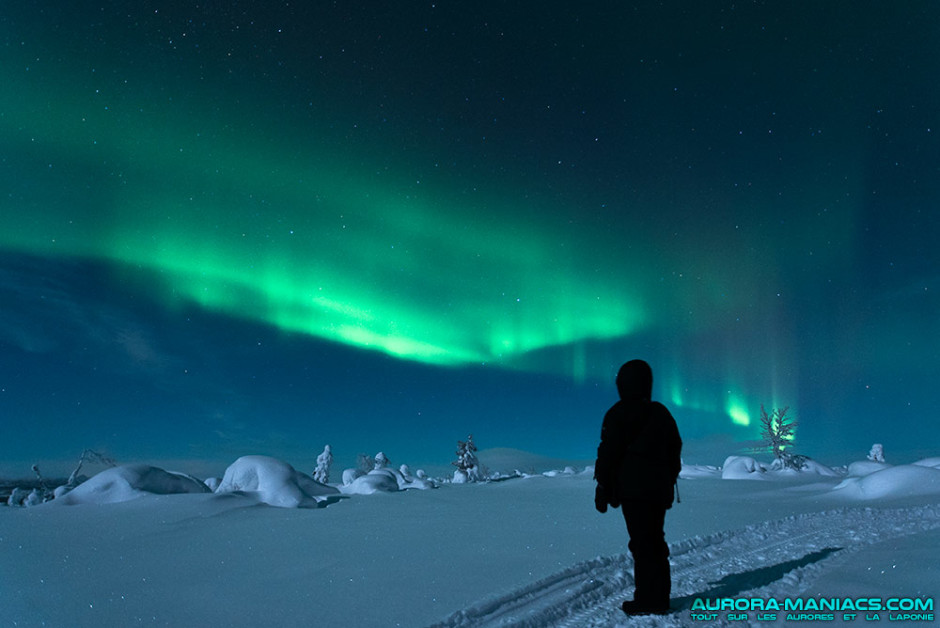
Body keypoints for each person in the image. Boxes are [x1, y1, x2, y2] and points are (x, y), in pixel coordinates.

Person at [594, 359, 682, 616]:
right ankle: (658, 597)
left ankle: (649, 600)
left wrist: (603, 486)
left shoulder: (617, 413)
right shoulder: (661, 413)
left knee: (643, 544)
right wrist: (667, 480)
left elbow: (608, 453)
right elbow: (675, 450)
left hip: (633, 492)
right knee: (654, 541)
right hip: (657, 492)